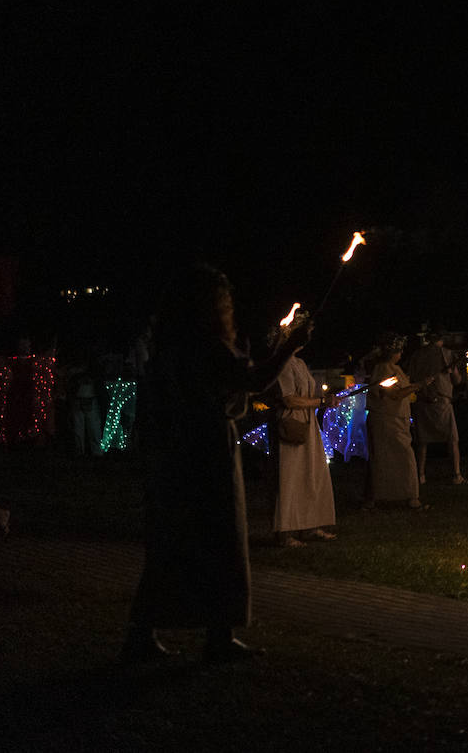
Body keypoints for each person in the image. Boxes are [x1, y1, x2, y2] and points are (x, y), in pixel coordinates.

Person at [121, 263, 310, 664]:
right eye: (224, 302)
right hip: (206, 449)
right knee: (220, 536)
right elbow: (254, 380)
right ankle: (217, 635)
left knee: (173, 540)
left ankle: (147, 632)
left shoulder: (170, 345)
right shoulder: (204, 344)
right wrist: (290, 346)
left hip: (173, 452)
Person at [267, 314, 338, 547]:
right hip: (291, 424)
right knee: (290, 477)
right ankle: (285, 532)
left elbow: (308, 395)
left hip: (308, 424)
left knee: (312, 473)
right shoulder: (282, 362)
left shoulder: (299, 363)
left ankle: (310, 526)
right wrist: (319, 403)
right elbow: (289, 399)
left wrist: (325, 399)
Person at [363, 332, 429, 510]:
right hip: (386, 421)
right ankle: (408, 497)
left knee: (396, 459)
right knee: (400, 458)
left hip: (396, 420)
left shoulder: (394, 369)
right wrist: (418, 385)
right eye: (399, 351)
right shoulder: (384, 369)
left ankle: (390, 497)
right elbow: (394, 394)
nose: (401, 354)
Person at [405, 330, 465, 485]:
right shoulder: (446, 354)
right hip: (438, 402)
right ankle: (456, 474)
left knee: (422, 442)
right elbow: (457, 380)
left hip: (425, 402)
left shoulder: (418, 355)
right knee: (452, 440)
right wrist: (454, 371)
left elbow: (411, 377)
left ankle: (421, 475)